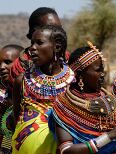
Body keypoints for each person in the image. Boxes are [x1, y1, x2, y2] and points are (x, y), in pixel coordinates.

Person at [48, 41, 116, 154]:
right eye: (98, 70)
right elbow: (66, 150)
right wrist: (110, 135)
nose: (103, 74)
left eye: (102, 70)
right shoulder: (64, 105)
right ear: (80, 74)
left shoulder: (109, 99)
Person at [11, 25, 75, 154]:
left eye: (39, 43)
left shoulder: (74, 82)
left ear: (57, 47)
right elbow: (16, 118)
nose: (32, 48)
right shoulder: (22, 80)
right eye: (32, 43)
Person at [9, 7, 70, 84]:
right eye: (51, 28)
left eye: (59, 28)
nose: (58, 32)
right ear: (34, 32)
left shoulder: (69, 59)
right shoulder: (19, 68)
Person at [0, 44, 22, 153]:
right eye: (0, 63)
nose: (1, 67)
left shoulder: (34, 92)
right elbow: (7, 134)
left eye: (7, 62)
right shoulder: (3, 94)